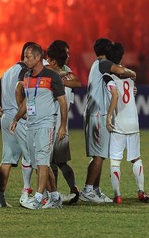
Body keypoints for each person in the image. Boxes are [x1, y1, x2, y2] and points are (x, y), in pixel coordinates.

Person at [10, 43, 67, 210]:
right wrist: (16, 118)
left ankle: (38, 198)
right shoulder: (26, 76)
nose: (25, 60)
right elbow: (28, 100)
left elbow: (63, 102)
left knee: (42, 160)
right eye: (25, 57)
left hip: (46, 124)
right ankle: (55, 197)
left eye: (28, 57)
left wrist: (62, 126)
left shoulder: (52, 76)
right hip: (31, 124)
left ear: (38, 57)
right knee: (39, 163)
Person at [81, 38, 136, 203]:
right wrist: (132, 73)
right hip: (98, 114)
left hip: (95, 113)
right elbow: (120, 71)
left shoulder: (99, 66)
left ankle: (95, 190)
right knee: (99, 155)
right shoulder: (103, 62)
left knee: (99, 154)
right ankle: (88, 190)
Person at [0, 42, 34, 208]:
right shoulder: (25, 71)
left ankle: (0, 199)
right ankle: (28, 195)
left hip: (6, 117)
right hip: (19, 117)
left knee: (7, 159)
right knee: (31, 156)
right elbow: (20, 90)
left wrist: (0, 111)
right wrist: (22, 112)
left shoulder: (8, 71)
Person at [104, 42, 149, 204]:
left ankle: (117, 195)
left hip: (118, 122)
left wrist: (108, 116)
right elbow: (131, 89)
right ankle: (141, 191)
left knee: (115, 161)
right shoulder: (129, 76)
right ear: (122, 57)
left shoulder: (109, 76)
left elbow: (115, 96)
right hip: (133, 122)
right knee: (136, 158)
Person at [45, 40, 82, 204]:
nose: (68, 56)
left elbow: (77, 82)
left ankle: (66, 190)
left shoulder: (65, 71)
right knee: (55, 162)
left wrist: (59, 82)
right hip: (54, 122)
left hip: (58, 123)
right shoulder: (44, 69)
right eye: (66, 53)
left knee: (54, 161)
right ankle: (55, 192)